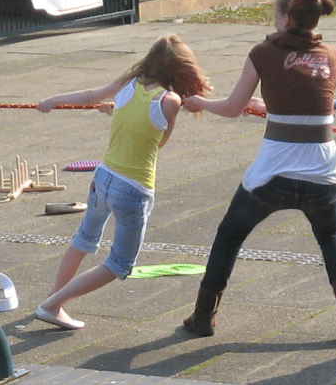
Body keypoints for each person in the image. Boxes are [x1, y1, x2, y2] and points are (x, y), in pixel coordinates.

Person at [183, 0, 336, 336]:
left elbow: (230, 108)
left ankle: (202, 316)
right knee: (331, 233)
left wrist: (199, 103)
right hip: (321, 170)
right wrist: (265, 104)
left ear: (286, 18)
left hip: (272, 174)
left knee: (230, 233)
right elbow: (302, 96)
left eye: (275, 12)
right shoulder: (331, 56)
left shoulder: (263, 53)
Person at [33, 34, 212, 329]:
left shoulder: (129, 84)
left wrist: (53, 100)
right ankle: (52, 304)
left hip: (102, 177)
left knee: (83, 239)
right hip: (133, 188)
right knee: (119, 264)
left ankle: (55, 299)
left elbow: (92, 95)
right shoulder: (171, 100)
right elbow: (157, 142)